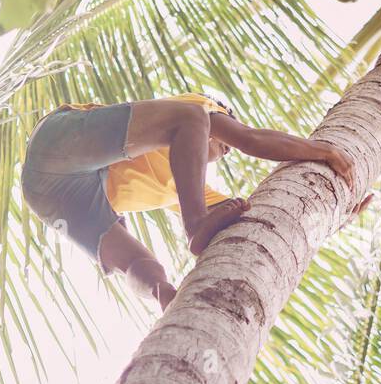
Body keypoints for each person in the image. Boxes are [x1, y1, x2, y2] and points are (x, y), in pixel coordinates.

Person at [20, 93, 358, 308]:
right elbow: (251, 138)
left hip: (50, 196)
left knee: (143, 265)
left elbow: (266, 215)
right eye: (226, 124)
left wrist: (332, 210)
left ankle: (163, 296)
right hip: (58, 145)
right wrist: (323, 151)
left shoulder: (183, 188)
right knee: (191, 120)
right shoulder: (196, 108)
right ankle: (193, 225)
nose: (226, 147)